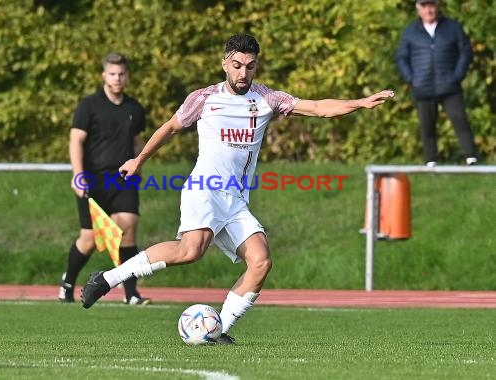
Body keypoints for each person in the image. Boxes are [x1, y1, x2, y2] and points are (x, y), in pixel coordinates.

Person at [81, 34, 394, 343]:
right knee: (191, 251)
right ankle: (108, 279)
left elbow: (317, 107)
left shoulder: (267, 100)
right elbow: (170, 128)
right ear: (225, 65)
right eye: (237, 65)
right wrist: (138, 160)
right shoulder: (204, 99)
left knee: (261, 262)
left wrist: (360, 103)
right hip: (205, 188)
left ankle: (219, 331)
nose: (243, 72)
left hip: (236, 199)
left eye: (250, 66)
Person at [58, 52, 151, 305]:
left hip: (123, 179)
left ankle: (131, 293)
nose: (117, 78)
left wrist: (139, 164)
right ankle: (68, 283)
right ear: (104, 76)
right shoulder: (89, 106)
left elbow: (137, 141)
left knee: (128, 227)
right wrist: (78, 175)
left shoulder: (134, 108)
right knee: (89, 240)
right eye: (112, 74)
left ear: (127, 76)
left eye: (121, 74)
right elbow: (76, 140)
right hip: (93, 179)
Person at [396, 0, 478, 167]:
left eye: (432, 6)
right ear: (419, 10)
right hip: (423, 86)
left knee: (460, 120)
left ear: (437, 7)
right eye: (425, 7)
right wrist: (411, 78)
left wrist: (457, 75)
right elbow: (401, 57)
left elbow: (465, 52)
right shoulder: (411, 32)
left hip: (449, 85)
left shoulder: (452, 28)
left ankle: (471, 158)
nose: (429, 10)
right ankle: (431, 160)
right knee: (427, 126)